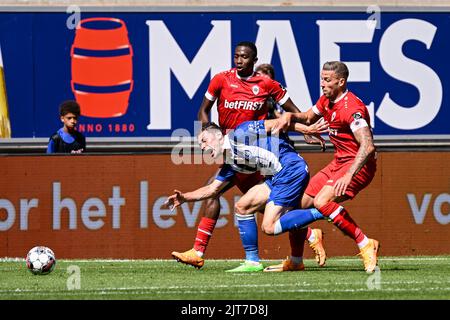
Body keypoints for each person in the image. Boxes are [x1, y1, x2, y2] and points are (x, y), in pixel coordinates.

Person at [171, 41, 326, 270]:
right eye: (236, 56)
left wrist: (307, 130)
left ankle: (207, 252)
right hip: (233, 151)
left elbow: (292, 114)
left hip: (257, 151)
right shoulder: (221, 80)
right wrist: (208, 131)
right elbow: (203, 109)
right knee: (254, 204)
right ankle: (306, 237)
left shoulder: (266, 85)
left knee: (251, 204)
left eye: (244, 57)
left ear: (254, 60)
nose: (239, 60)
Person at [166, 119, 329, 272]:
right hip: (275, 176)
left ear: (217, 135)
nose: (202, 147)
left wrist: (307, 129)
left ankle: (323, 212)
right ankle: (252, 261)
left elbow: (278, 123)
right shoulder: (231, 162)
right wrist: (184, 198)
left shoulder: (240, 133)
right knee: (242, 207)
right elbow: (212, 190)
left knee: (269, 227)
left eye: (204, 140)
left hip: (290, 169)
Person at [267, 61, 380, 273]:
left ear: (341, 81)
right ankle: (296, 260)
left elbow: (367, 146)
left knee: (321, 201)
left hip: (358, 166)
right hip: (339, 162)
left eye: (327, 80)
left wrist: (348, 175)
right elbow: (308, 117)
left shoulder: (352, 108)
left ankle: (365, 243)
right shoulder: (327, 101)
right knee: (298, 205)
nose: (322, 84)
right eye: (322, 79)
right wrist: (290, 116)